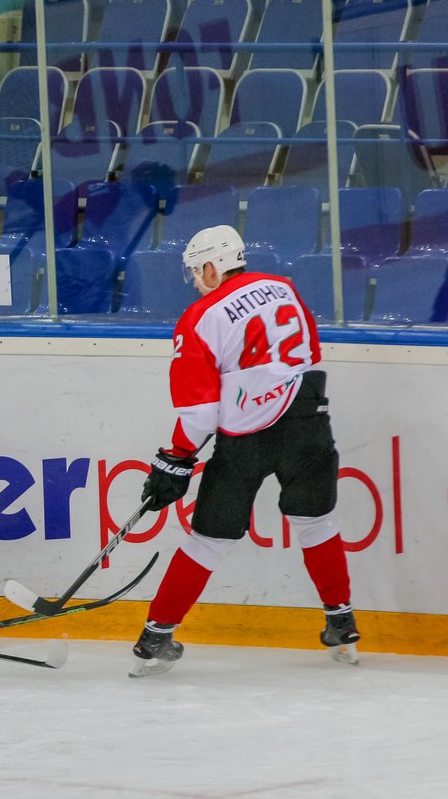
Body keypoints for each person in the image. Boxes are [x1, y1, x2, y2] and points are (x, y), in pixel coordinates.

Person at [131, 225, 358, 676]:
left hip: (247, 438)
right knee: (315, 521)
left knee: (209, 539)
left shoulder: (200, 316)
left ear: (212, 267)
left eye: (197, 272)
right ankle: (341, 622)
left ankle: (157, 635)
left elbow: (200, 412)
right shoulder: (283, 287)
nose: (196, 282)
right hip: (309, 420)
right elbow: (309, 353)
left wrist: (176, 459)